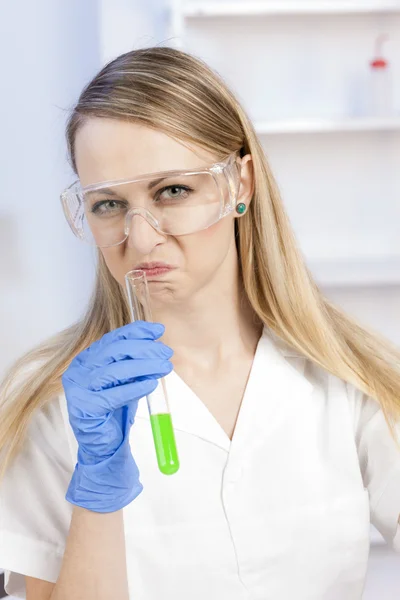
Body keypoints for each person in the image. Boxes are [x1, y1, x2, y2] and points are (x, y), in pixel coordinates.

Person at [0, 46, 400, 600]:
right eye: (108, 204)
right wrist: (97, 495)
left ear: (240, 183)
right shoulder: (51, 402)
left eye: (172, 191)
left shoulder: (348, 377)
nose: (139, 239)